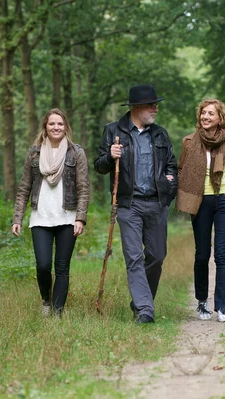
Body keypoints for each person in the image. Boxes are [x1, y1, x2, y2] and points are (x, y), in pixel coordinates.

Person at [94, 84, 177, 324]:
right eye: (152, 105)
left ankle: (141, 300)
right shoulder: (113, 131)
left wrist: (169, 187)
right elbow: (99, 166)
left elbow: (171, 165)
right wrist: (110, 156)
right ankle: (144, 309)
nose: (156, 109)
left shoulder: (160, 134)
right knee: (133, 256)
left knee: (157, 256)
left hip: (156, 203)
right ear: (137, 108)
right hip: (128, 205)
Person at [176, 99, 225, 322]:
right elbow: (181, 170)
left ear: (221, 118)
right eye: (203, 113)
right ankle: (201, 303)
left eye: (211, 114)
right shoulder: (189, 141)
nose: (205, 117)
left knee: (221, 254)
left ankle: (222, 307)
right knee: (202, 254)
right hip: (199, 201)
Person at [12, 108, 90, 317]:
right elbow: (24, 188)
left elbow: (83, 188)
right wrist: (17, 217)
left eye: (60, 124)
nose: (56, 127)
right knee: (44, 265)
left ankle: (57, 313)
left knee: (62, 267)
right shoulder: (34, 153)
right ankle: (46, 300)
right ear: (45, 127)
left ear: (66, 128)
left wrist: (80, 218)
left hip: (67, 217)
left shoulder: (76, 152)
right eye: (52, 124)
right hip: (40, 218)